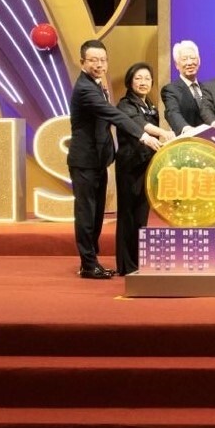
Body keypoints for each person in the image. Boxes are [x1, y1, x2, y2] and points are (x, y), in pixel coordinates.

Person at [67, 39, 160, 280]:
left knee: (97, 213)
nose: (99, 64)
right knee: (87, 213)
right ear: (82, 62)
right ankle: (88, 264)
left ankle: (91, 260)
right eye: (93, 60)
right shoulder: (85, 88)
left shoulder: (98, 85)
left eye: (102, 60)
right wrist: (142, 135)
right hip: (84, 160)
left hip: (98, 160)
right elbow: (114, 115)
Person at [114, 62, 172, 276]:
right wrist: (163, 132)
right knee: (128, 216)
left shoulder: (151, 105)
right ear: (130, 81)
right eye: (138, 78)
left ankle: (139, 262)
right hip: (130, 167)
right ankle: (126, 265)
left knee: (141, 216)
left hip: (147, 166)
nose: (143, 82)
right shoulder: (125, 104)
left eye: (147, 78)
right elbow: (140, 125)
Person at [160, 40, 207, 135]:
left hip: (210, 143)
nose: (189, 63)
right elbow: (172, 112)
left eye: (193, 58)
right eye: (184, 59)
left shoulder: (207, 88)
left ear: (199, 61)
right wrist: (185, 128)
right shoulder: (170, 90)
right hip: (187, 141)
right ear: (177, 65)